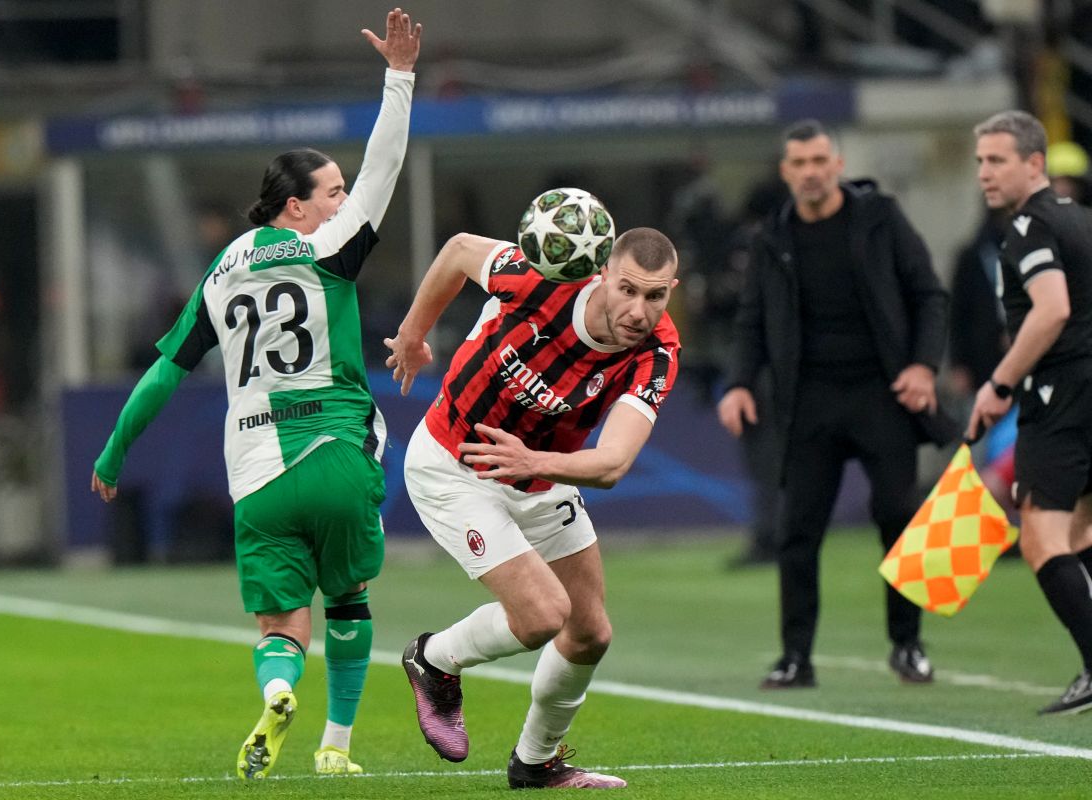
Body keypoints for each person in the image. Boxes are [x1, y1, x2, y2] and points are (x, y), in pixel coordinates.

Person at [89, 8, 422, 778]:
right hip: (337, 451)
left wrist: (113, 453)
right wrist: (398, 78)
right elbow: (386, 168)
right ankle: (336, 750)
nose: (345, 202)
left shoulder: (221, 272)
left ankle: (278, 690)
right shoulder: (328, 249)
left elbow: (164, 373)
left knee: (280, 624)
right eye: (331, 191)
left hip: (259, 474)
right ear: (295, 206)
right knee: (349, 599)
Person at [384, 226, 680, 790]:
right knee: (544, 614)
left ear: (672, 290)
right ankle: (434, 659)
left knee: (590, 631)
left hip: (538, 475)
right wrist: (412, 335)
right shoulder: (542, 278)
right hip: (453, 466)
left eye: (655, 295)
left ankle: (536, 763)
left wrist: (533, 462)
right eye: (627, 290)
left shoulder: (657, 352)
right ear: (602, 275)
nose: (639, 310)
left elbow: (614, 463)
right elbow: (457, 251)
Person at [717, 119, 951, 689]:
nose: (811, 172)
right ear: (786, 172)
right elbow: (751, 320)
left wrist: (923, 366)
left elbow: (929, 295)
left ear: (838, 164)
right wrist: (741, 382)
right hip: (809, 401)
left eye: (820, 160)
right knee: (797, 531)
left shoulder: (880, 218)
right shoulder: (772, 238)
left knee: (900, 515)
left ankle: (908, 645)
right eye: (799, 163)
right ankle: (796, 658)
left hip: (882, 394)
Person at [967, 110, 1092, 715]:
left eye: (997, 160)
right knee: (1083, 533)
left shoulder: (1027, 227)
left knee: (1041, 540)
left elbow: (1052, 310)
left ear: (1035, 163)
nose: (984, 173)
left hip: (1060, 397)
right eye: (980, 161)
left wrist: (998, 384)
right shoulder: (1081, 222)